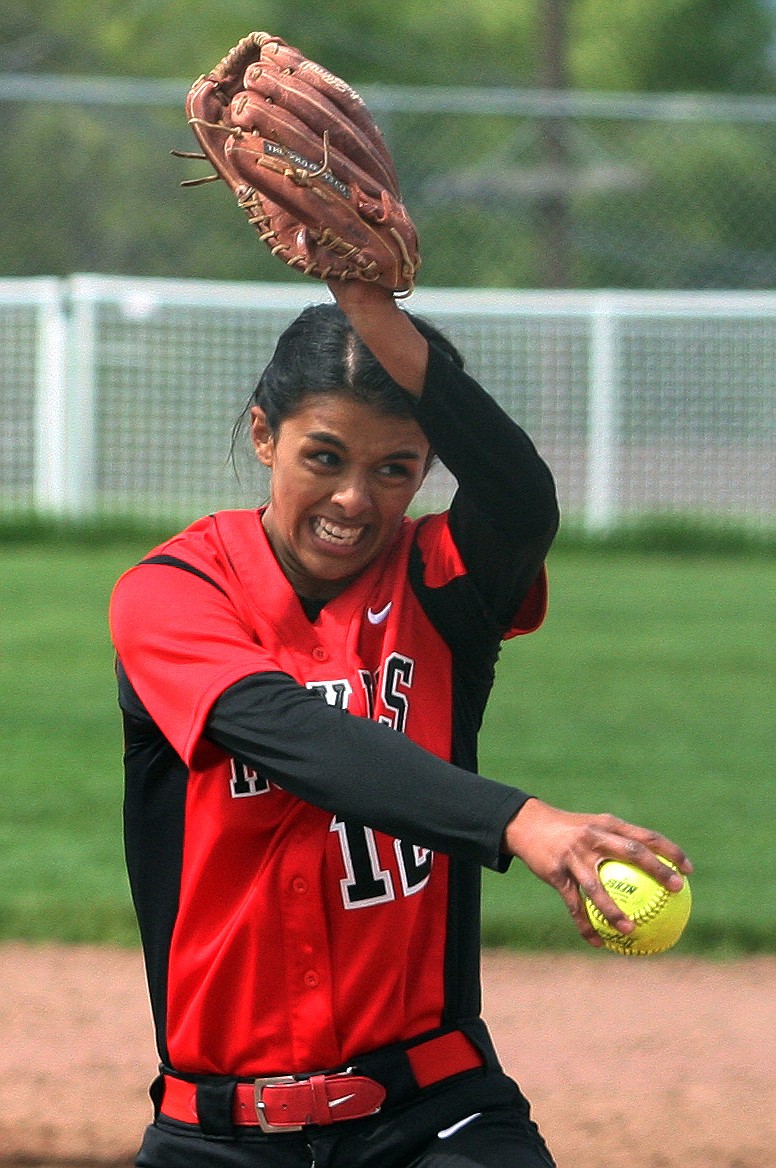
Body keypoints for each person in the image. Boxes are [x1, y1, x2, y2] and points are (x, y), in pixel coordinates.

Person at [109, 278, 692, 1168]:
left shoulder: (440, 583)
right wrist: (519, 822)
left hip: (437, 1116)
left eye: (395, 468)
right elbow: (293, 733)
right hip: (215, 1135)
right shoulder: (172, 594)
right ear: (264, 434)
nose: (354, 500)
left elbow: (523, 497)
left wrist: (371, 304)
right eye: (325, 457)